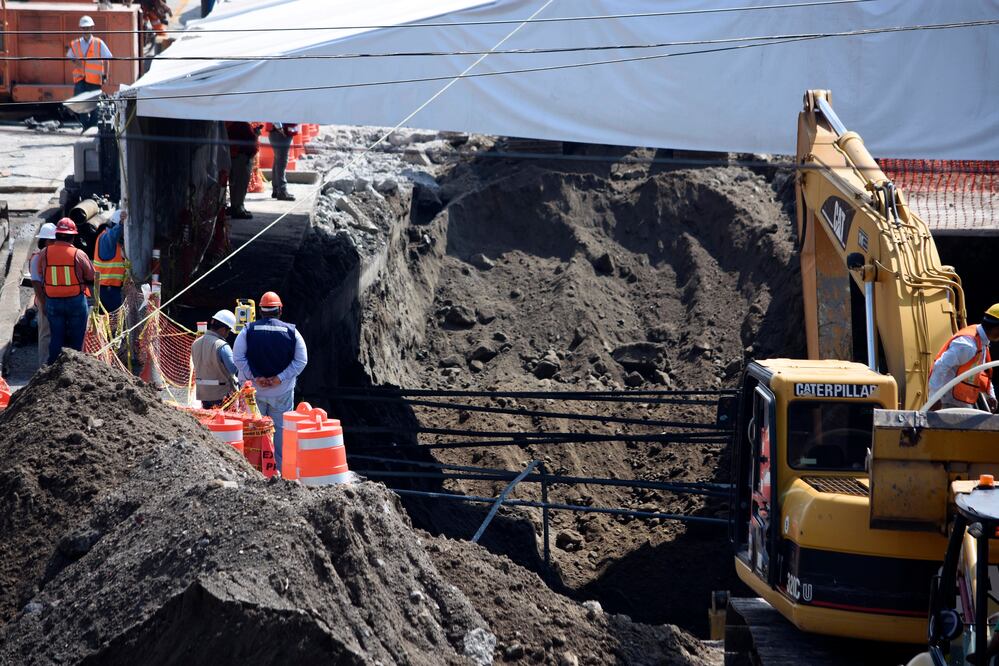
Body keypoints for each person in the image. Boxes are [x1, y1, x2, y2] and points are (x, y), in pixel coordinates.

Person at [232, 291, 307, 471]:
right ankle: (279, 471)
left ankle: (253, 470)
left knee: (253, 430)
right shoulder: (292, 332)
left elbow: (238, 358)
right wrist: (279, 378)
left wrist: (255, 376)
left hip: (253, 392)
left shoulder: (248, 330)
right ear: (280, 310)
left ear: (260, 310)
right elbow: (301, 361)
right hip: (281, 392)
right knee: (280, 432)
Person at [36, 219, 95, 365]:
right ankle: (75, 368)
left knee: (56, 337)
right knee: (77, 337)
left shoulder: (44, 253)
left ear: (57, 235)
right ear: (72, 236)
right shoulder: (78, 254)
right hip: (75, 301)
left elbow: (40, 273)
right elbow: (91, 276)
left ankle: (54, 369)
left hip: (53, 301)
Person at [928, 306, 999, 411]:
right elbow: (940, 366)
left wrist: (990, 396)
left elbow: (979, 372)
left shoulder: (981, 342)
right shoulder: (968, 345)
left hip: (961, 405)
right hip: (947, 405)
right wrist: (934, 398)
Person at [67, 16, 112, 130]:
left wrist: (105, 75)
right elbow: (70, 56)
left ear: (92, 28)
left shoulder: (98, 43)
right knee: (81, 105)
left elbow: (107, 59)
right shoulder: (76, 43)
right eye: (84, 28)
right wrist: (76, 62)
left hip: (94, 80)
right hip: (80, 79)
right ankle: (85, 127)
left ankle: (92, 127)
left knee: (94, 106)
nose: (86, 30)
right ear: (81, 29)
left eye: (88, 28)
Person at [192, 309, 239, 409]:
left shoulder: (195, 343)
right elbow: (233, 369)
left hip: (203, 394)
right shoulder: (222, 345)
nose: (228, 334)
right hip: (222, 394)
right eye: (229, 331)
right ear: (223, 329)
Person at [29, 223, 57, 367]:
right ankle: (44, 365)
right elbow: (35, 282)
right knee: (45, 332)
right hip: (44, 298)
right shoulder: (37, 258)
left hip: (54, 298)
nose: (55, 243)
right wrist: (43, 302)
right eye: (52, 240)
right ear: (45, 241)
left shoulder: (50, 256)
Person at [93, 209, 128, 313]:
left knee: (112, 321)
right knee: (112, 321)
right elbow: (112, 236)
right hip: (106, 289)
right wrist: (121, 224)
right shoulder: (105, 238)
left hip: (111, 288)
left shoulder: (116, 244)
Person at [225, 121, 260, 220]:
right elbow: (250, 140)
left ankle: (237, 206)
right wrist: (256, 134)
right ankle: (238, 208)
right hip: (241, 156)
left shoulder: (234, 124)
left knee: (236, 184)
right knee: (240, 183)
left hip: (238, 156)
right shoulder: (241, 125)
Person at [267, 123, 298, 201]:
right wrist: (280, 128)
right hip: (280, 133)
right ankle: (282, 191)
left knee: (278, 161)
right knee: (281, 162)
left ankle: (277, 189)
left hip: (279, 132)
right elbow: (274, 115)